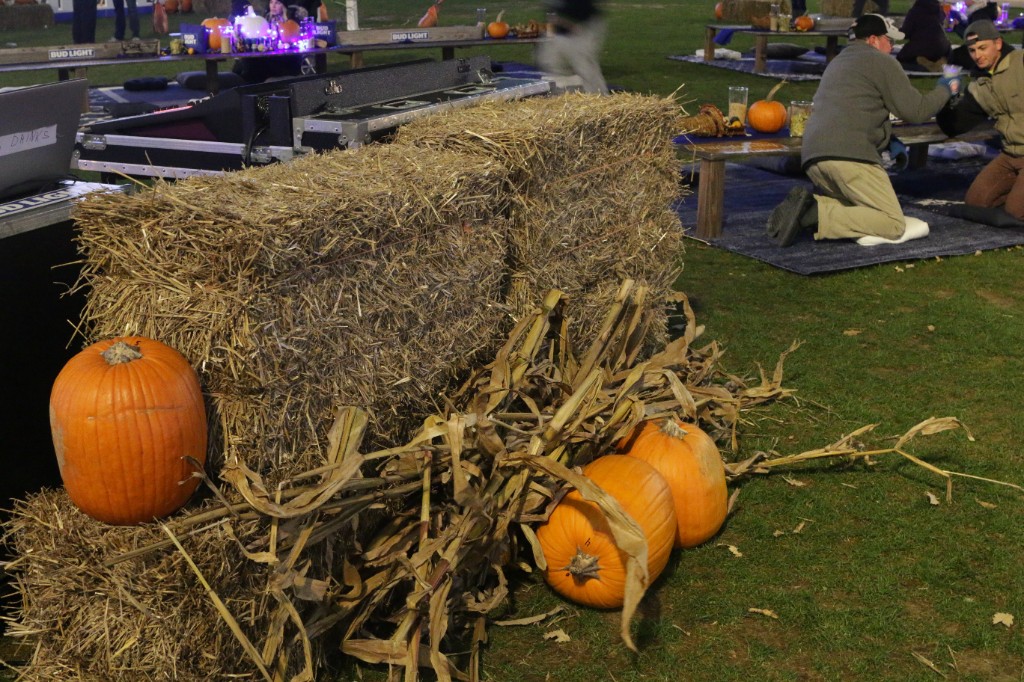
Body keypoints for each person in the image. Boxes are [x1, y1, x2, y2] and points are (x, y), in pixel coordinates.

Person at [766, 14, 959, 247]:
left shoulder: (837, 63)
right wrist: (946, 87)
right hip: (850, 157)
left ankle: (809, 208)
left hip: (813, 158)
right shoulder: (881, 61)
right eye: (890, 41)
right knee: (892, 222)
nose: (893, 47)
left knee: (859, 212)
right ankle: (815, 212)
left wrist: (889, 139)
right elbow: (916, 111)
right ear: (874, 40)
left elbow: (857, 110)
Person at [937, 20, 1024, 222]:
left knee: (1015, 213)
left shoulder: (1020, 63)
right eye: (973, 50)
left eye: (983, 48)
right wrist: (946, 97)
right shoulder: (980, 84)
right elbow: (954, 126)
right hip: (1010, 153)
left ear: (998, 44)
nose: (978, 55)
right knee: (977, 202)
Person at [538, 0, 609, 94]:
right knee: (550, 62)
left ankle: (600, 99)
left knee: (585, 68)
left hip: (584, 25)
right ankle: (567, 97)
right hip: (560, 30)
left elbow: (582, 10)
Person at [896, 0, 951, 71]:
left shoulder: (915, 11)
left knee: (900, 60)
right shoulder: (938, 9)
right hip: (942, 48)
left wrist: (894, 31)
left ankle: (927, 67)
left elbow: (906, 33)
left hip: (923, 47)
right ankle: (936, 63)